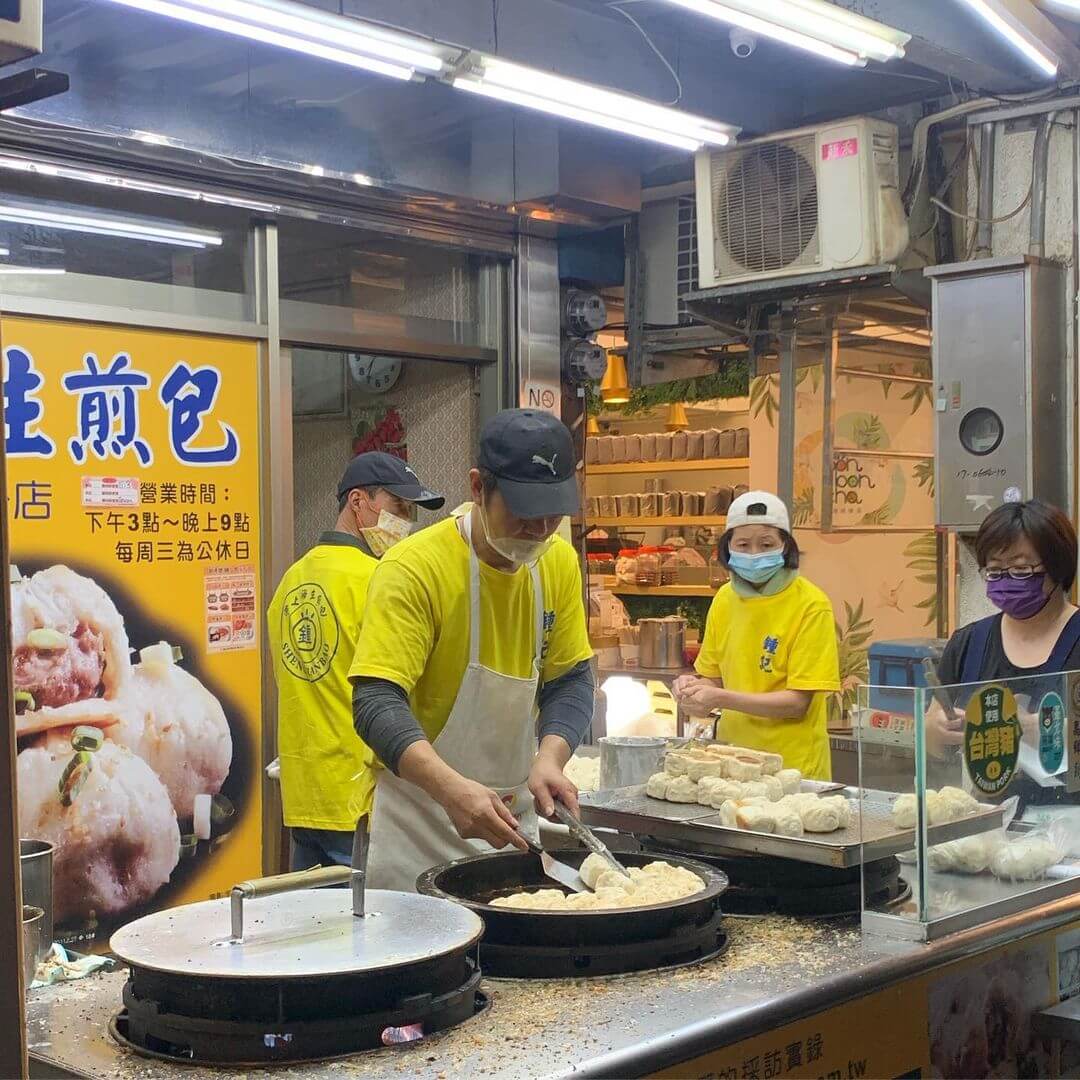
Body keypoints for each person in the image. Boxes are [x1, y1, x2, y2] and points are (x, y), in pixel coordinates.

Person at [350, 408, 594, 891]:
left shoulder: (557, 564)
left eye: (554, 515)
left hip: (510, 827)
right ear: (479, 487)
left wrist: (550, 757)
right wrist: (450, 790)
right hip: (418, 827)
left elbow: (570, 680)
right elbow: (376, 701)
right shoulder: (415, 569)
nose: (541, 530)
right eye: (525, 514)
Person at [267, 452, 445, 871]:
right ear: (358, 501)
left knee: (310, 927)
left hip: (303, 794)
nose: (407, 521)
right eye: (399, 506)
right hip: (361, 799)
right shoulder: (380, 581)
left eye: (411, 510)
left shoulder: (290, 581)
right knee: (361, 930)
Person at [672, 491, 841, 779]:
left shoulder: (811, 605)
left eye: (766, 544)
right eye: (743, 544)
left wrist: (719, 697)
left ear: (785, 546)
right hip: (731, 761)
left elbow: (797, 704)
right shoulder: (724, 599)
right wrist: (693, 687)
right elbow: (713, 676)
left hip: (793, 770)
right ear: (728, 548)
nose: (754, 554)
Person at [928, 500, 1080, 791]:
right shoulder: (969, 642)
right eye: (995, 572)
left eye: (1021, 570)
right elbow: (929, 738)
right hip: (988, 825)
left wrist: (1046, 732)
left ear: (1058, 566)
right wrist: (937, 730)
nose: (1007, 581)